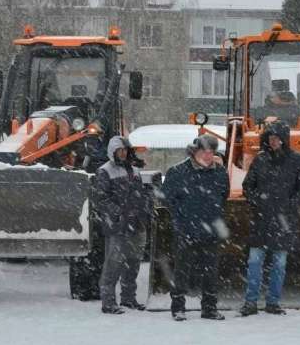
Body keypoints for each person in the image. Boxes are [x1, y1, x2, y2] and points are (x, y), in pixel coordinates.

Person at [239, 121, 300, 316]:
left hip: (284, 220)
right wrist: (257, 202)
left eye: (277, 138)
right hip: (261, 219)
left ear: (285, 140)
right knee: (255, 262)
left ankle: (273, 302)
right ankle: (250, 302)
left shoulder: (298, 161)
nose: (273, 141)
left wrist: (290, 205)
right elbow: (247, 186)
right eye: (270, 138)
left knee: (279, 264)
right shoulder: (259, 160)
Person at [160, 134, 230, 321]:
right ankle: (178, 308)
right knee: (182, 271)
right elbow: (167, 199)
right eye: (204, 152)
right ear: (195, 152)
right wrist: (181, 217)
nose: (208, 156)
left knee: (210, 273)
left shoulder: (220, 173)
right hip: (186, 230)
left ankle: (209, 309)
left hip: (211, 232)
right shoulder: (178, 172)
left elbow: (224, 196)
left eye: (211, 152)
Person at [96, 136, 151, 314]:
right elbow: (101, 198)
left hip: (136, 224)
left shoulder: (135, 171)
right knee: (113, 264)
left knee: (133, 264)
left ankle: (128, 298)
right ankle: (108, 302)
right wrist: (118, 214)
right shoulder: (104, 171)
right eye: (120, 150)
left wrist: (145, 212)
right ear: (113, 152)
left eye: (125, 150)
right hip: (117, 226)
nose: (123, 153)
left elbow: (141, 195)